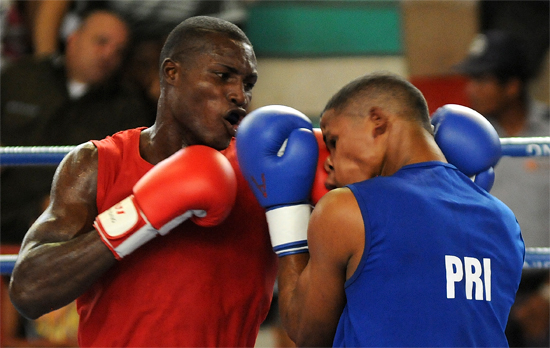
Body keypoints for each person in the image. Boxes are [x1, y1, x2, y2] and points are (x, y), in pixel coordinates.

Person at [8, 15, 277, 347]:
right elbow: (28, 291)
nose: (239, 94)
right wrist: (138, 215)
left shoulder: (261, 172)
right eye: (223, 76)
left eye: (248, 83)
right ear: (171, 73)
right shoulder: (96, 165)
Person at [236, 72, 525, 347]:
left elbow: (306, 332)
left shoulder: (346, 209)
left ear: (377, 121)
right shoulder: (505, 222)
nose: (329, 166)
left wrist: (286, 211)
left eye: (333, 141)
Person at [1, 9, 154, 246]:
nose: (108, 54)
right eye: (101, 41)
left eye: (119, 51)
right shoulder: (22, 77)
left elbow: (127, 179)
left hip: (64, 234)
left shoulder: (128, 107)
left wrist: (67, 205)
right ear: (73, 39)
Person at [454, 29, 550, 249]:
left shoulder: (548, 130)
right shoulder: (464, 138)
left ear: (512, 86)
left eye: (482, 80)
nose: (471, 89)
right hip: (487, 277)